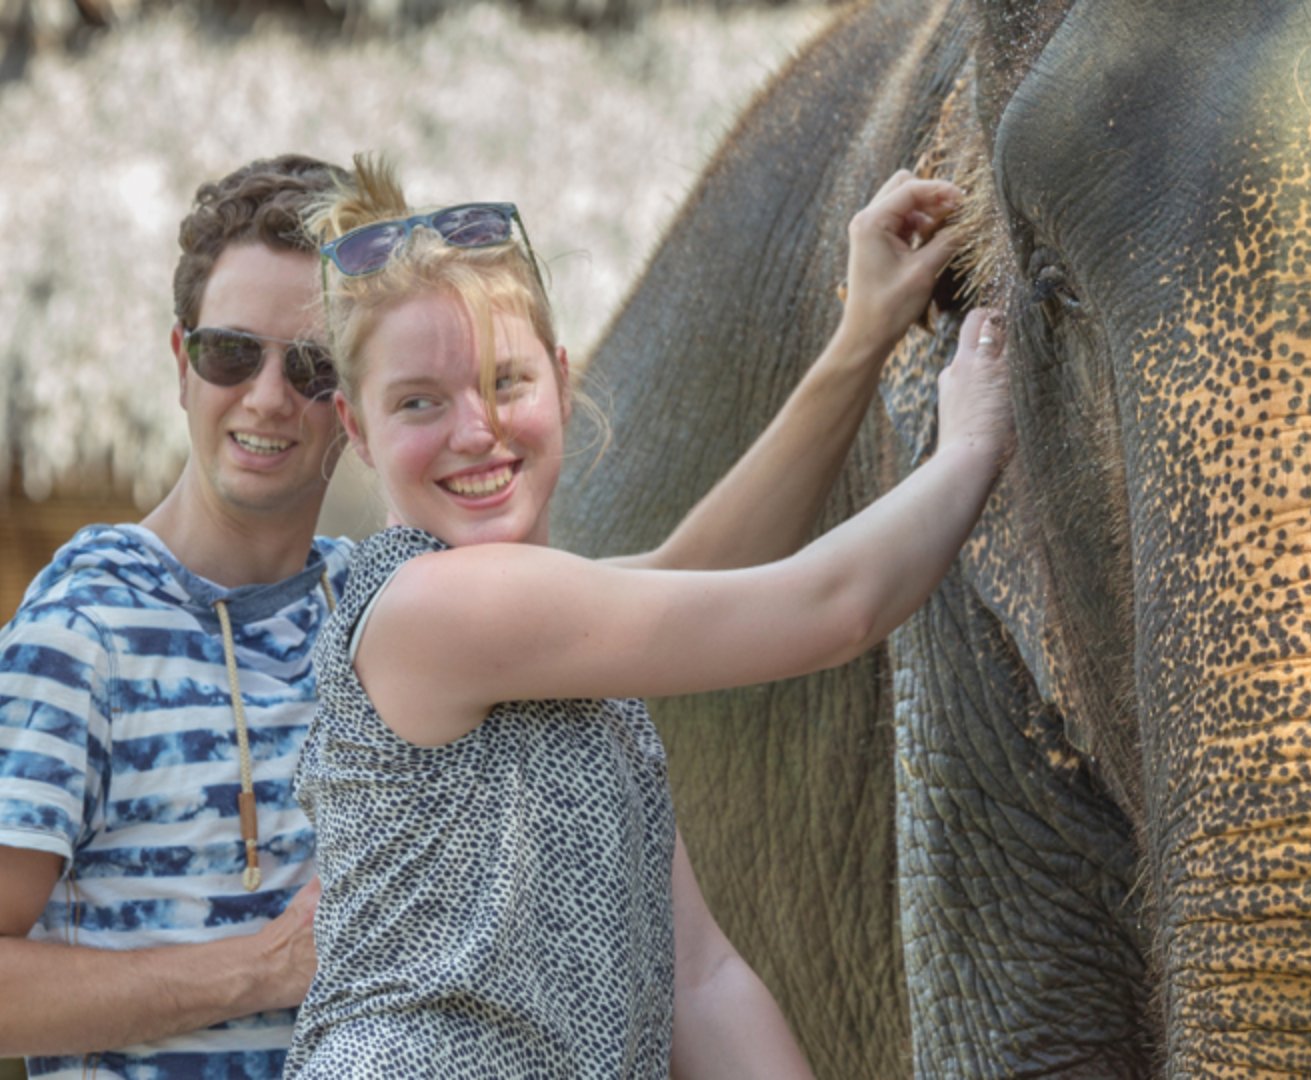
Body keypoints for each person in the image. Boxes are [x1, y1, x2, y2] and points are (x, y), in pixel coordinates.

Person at [283, 156, 1005, 1078]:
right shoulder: (433, 606)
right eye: (420, 401)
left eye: (506, 383)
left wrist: (862, 336)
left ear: (559, 377)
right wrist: (973, 444)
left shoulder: (577, 667)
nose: (476, 431)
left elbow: (702, 979)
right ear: (355, 428)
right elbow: (833, 606)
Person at [0, 154, 352, 1079]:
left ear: (354, 399)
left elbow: (644, 597)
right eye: (231, 352)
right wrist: (257, 971)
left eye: (312, 365)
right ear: (181, 364)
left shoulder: (386, 611)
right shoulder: (81, 632)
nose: (268, 396)